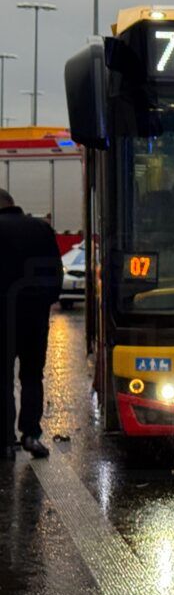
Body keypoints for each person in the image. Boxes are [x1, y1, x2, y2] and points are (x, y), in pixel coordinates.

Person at [0, 188, 63, 460]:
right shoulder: (41, 229)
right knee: (32, 376)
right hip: (34, 318)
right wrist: (45, 301)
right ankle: (30, 434)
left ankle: (4, 441)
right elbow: (55, 270)